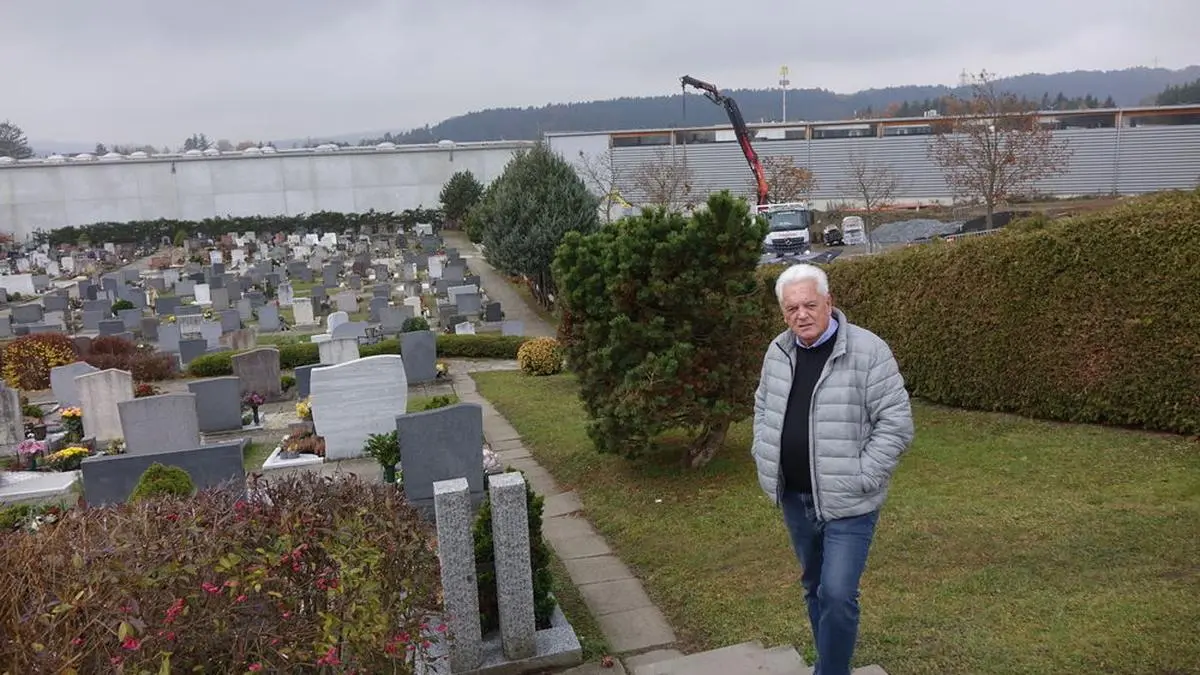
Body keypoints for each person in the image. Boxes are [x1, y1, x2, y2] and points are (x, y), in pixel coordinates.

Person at [751, 263, 914, 675]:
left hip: (850, 503)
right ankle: (829, 662)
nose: (801, 315)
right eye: (792, 309)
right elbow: (764, 407)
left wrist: (864, 475)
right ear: (783, 313)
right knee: (814, 587)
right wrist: (763, 454)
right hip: (795, 497)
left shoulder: (869, 350)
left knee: (838, 593)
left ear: (829, 302)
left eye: (809, 304)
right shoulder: (779, 351)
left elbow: (896, 423)